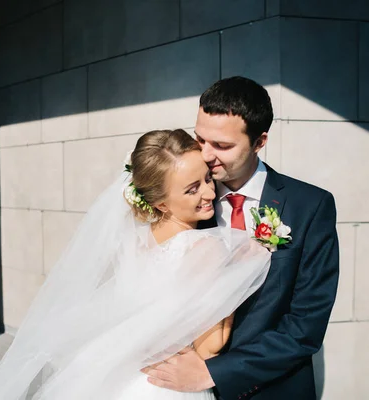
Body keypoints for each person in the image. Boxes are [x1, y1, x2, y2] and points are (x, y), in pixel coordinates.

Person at [0, 129, 271, 400]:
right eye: (191, 189)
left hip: (119, 374)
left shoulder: (134, 239)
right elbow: (210, 346)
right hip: (166, 385)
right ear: (162, 203)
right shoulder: (208, 247)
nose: (209, 193)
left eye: (207, 179)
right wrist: (236, 276)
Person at [142, 77, 340, 399]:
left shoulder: (311, 207)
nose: (205, 155)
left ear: (259, 141)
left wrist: (212, 372)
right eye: (200, 139)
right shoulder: (178, 201)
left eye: (222, 146)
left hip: (272, 390)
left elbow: (305, 328)